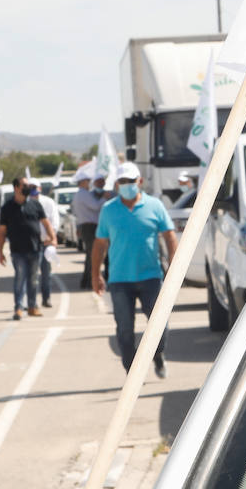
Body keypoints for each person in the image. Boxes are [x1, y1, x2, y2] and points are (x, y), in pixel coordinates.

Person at [91, 162, 177, 378]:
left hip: (151, 277)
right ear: (117, 185)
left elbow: (169, 235)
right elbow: (100, 244)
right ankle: (132, 373)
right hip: (120, 280)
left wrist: (174, 267)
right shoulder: (109, 210)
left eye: (131, 181)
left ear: (139, 181)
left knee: (160, 326)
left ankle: (158, 355)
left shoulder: (154, 206)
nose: (127, 185)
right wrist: (95, 274)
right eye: (122, 182)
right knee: (125, 331)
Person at [0, 176, 55, 321]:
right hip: (17, 251)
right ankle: (18, 308)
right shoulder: (7, 208)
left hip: (36, 249)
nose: (28, 188)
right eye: (25, 185)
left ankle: (32, 306)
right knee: (20, 278)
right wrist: (0, 252)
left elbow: (46, 223)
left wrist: (53, 238)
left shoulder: (35, 205)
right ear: (16, 187)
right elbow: (2, 231)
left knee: (33, 280)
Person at [72, 170, 104, 290]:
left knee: (90, 255)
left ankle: (87, 281)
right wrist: (104, 198)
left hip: (87, 226)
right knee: (92, 255)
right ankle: (89, 281)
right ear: (83, 182)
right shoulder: (83, 194)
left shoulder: (81, 194)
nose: (90, 183)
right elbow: (95, 206)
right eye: (88, 181)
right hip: (90, 227)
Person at [36, 185, 60, 308]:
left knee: (46, 273)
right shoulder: (26, 202)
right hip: (32, 244)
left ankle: (46, 298)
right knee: (31, 274)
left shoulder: (48, 202)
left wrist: (52, 238)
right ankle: (31, 301)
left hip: (46, 243)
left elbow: (54, 222)